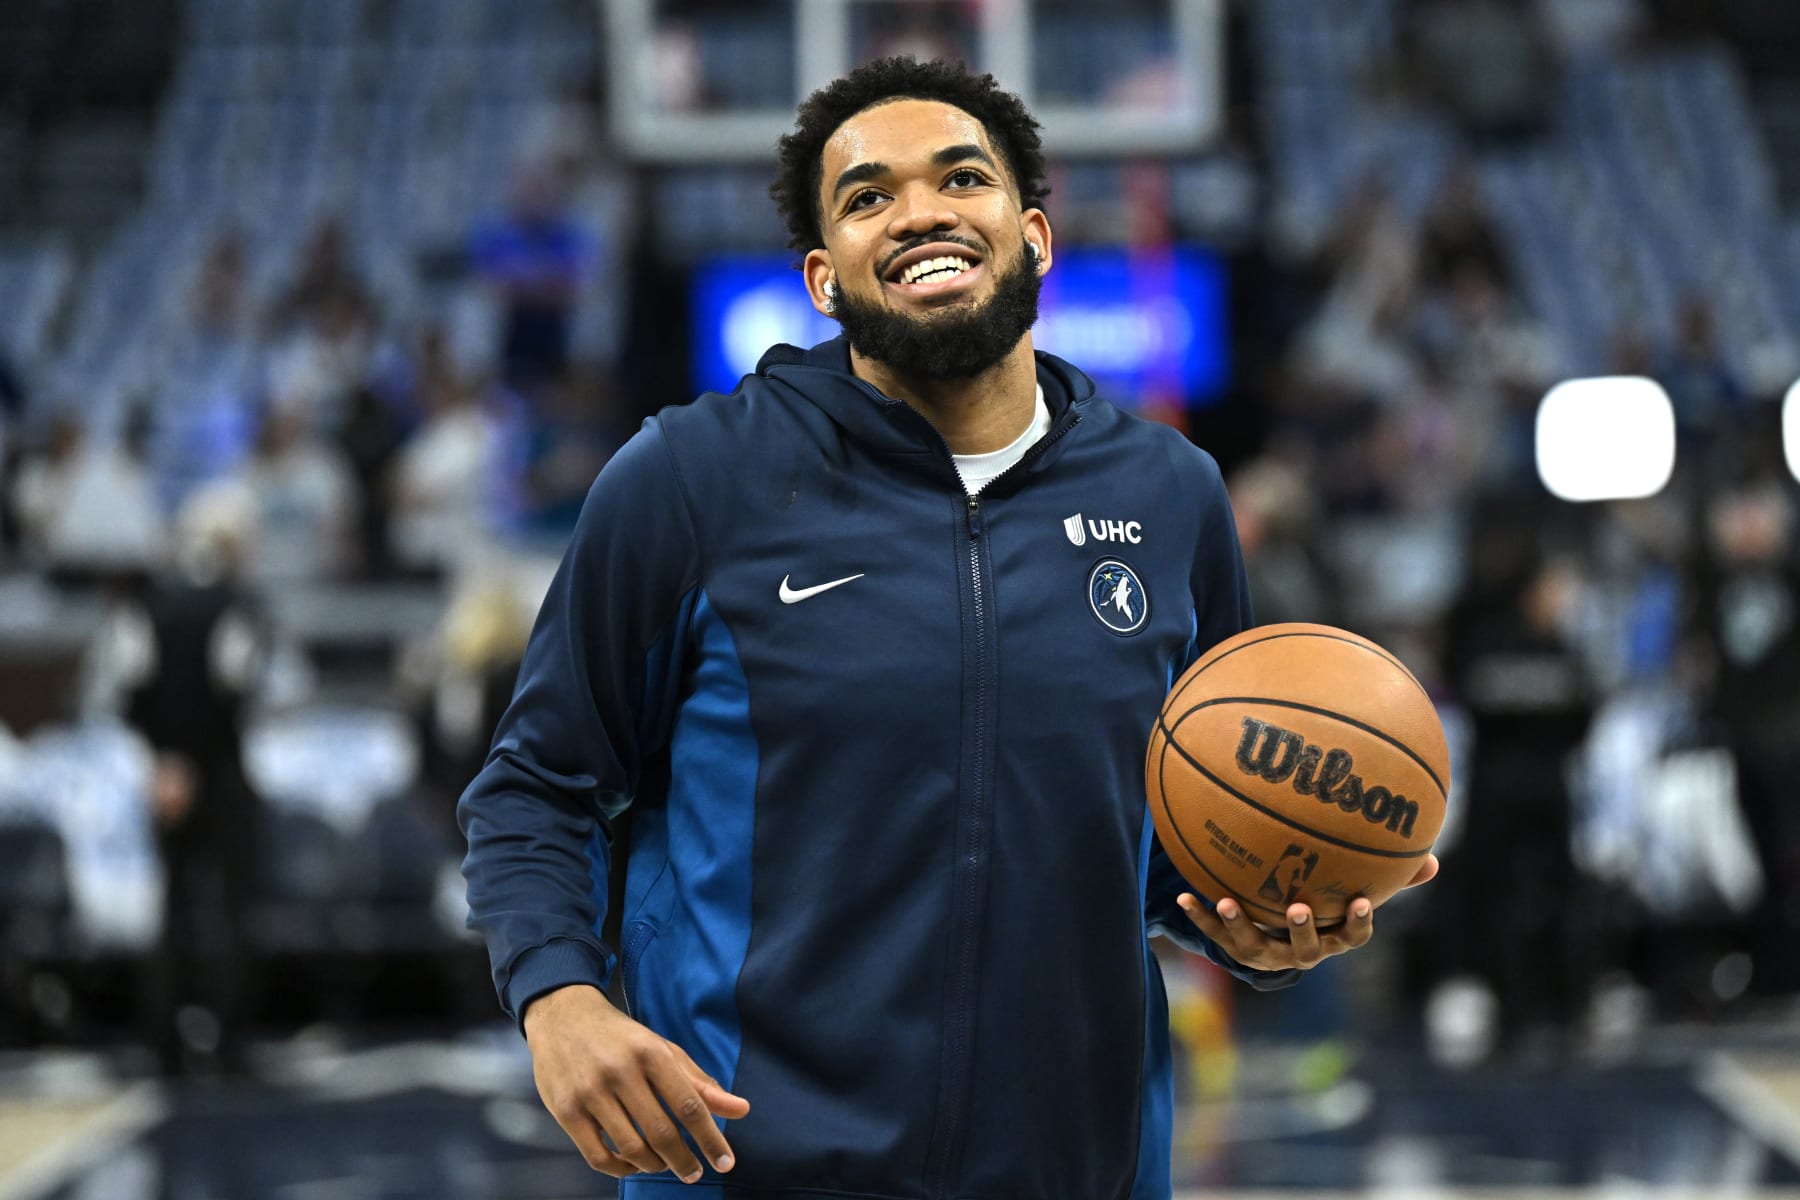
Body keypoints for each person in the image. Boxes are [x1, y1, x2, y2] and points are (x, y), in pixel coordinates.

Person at [459, 57, 1437, 1198]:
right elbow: (538, 785)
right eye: (868, 196)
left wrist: (1257, 925)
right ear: (823, 279)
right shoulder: (691, 478)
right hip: (747, 1173)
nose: (920, 211)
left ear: (1035, 236)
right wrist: (560, 998)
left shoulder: (1172, 496)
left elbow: (1172, 835)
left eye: (962, 178)